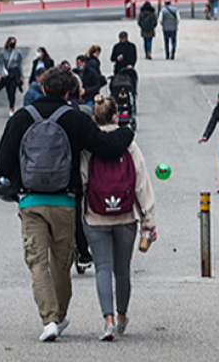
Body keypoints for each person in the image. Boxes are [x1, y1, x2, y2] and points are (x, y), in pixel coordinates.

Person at [0, 67, 135, 342]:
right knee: (61, 263)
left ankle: (49, 320)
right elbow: (105, 146)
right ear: (69, 92)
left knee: (37, 262)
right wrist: (126, 132)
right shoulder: (74, 119)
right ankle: (58, 314)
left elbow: (3, 160)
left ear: (42, 88)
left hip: (30, 201)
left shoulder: (22, 118)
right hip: (65, 201)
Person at [82, 96, 156, 341]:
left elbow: (82, 181)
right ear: (116, 116)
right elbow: (141, 185)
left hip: (95, 216)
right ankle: (122, 316)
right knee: (122, 269)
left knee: (102, 267)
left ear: (95, 118)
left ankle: (108, 321)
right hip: (126, 216)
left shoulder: (88, 146)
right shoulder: (130, 146)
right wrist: (148, 220)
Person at [0, 37, 25, 116]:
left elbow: (19, 64)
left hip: (15, 73)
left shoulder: (17, 52)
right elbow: (0, 63)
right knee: (8, 91)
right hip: (7, 73)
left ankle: (11, 107)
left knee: (12, 91)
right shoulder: (3, 52)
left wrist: (21, 75)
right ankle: (11, 103)